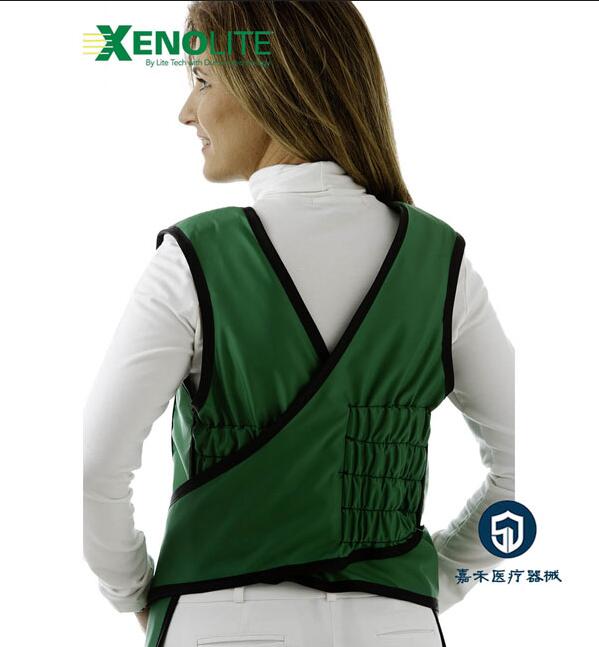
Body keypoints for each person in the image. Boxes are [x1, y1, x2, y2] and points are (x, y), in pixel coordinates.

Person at [83, 2, 514, 646]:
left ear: (272, 84)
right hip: (396, 627)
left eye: (201, 79)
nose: (186, 111)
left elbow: (98, 462)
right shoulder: (442, 264)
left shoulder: (193, 260)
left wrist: (131, 591)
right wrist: (433, 581)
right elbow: (529, 465)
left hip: (219, 619)